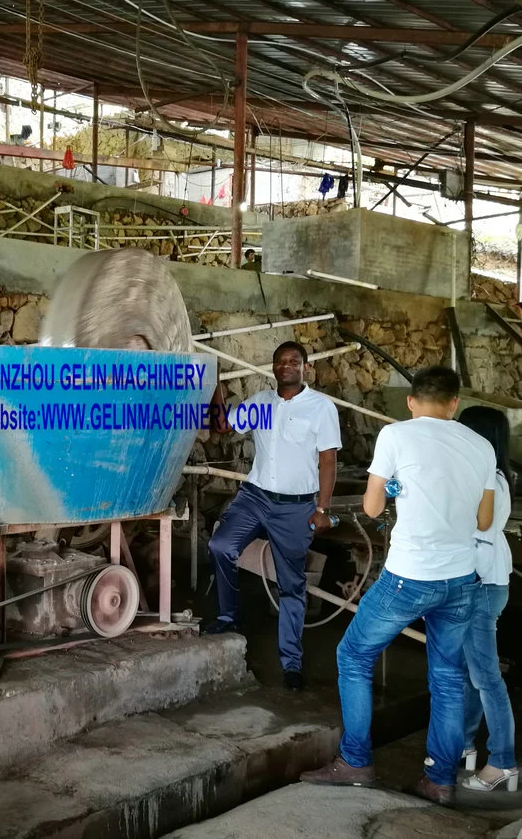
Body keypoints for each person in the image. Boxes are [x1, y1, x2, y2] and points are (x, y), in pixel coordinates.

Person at [301, 367, 496, 806]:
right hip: (461, 578)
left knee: (353, 654)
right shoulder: (481, 446)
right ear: (454, 405)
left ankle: (355, 762)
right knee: (447, 679)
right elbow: (483, 521)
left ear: (411, 402)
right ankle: (439, 781)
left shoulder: (395, 436)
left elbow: (371, 509)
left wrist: (392, 491)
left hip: (409, 576)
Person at [204, 341, 341, 692]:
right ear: (273, 367)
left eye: (294, 361)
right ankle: (227, 616)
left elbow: (328, 459)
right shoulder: (261, 403)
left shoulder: (320, 408)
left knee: (291, 585)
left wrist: (322, 509)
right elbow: (222, 427)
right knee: (221, 546)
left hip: (296, 506)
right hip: (256, 497)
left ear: (305, 368)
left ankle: (291, 663)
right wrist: (214, 384)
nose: (286, 366)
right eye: (280, 361)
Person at [457, 406, 517, 792]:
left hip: (480, 585)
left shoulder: (488, 481)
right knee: (471, 675)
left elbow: (478, 539)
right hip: (487, 581)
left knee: (486, 678)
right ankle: (463, 747)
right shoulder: (490, 476)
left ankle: (503, 761)